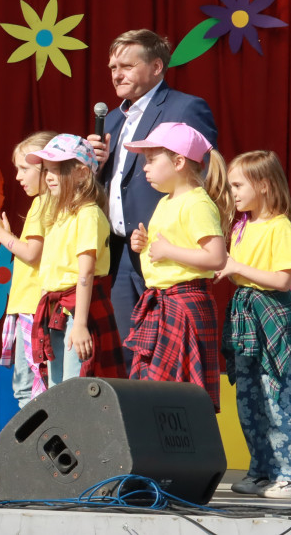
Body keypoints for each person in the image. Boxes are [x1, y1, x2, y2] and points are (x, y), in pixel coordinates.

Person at [88, 29, 217, 369]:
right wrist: (94, 167)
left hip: (164, 250)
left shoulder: (185, 107)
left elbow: (203, 174)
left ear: (157, 66)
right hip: (120, 252)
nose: (117, 74)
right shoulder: (112, 119)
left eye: (127, 66)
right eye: (112, 66)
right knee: (132, 352)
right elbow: (112, 185)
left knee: (169, 355)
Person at [217, 151, 291, 500]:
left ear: (264, 184)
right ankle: (261, 470)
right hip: (245, 317)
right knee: (249, 399)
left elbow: (282, 280)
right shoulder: (241, 226)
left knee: (277, 397)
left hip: (270, 315)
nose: (234, 193)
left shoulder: (282, 227)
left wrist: (235, 268)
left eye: (239, 185)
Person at [124, 123, 230, 409]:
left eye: (151, 160)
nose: (144, 168)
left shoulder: (197, 203)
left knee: (180, 402)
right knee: (155, 398)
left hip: (185, 306)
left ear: (179, 162)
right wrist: (143, 245)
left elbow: (216, 258)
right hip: (162, 305)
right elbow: (165, 249)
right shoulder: (165, 202)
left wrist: (169, 250)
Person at [26, 135, 126, 387]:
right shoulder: (59, 214)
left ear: (81, 173)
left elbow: (86, 272)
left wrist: (80, 324)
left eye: (56, 170)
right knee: (58, 388)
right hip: (56, 309)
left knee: (75, 386)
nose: (48, 177)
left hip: (78, 310)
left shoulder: (88, 214)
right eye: (46, 170)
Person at [0, 130, 56, 408]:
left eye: (24, 169)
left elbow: (32, 254)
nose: (18, 176)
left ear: (46, 169)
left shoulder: (43, 204)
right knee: (30, 387)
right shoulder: (50, 204)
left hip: (35, 308)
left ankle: (40, 450)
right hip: (33, 306)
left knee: (30, 390)